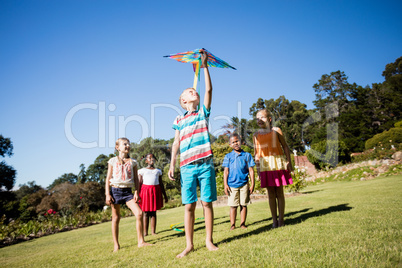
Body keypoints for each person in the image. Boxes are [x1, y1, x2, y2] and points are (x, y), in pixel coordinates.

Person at [168, 49, 218, 258]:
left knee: (206, 203)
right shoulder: (179, 120)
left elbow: (208, 91)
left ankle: (208, 240)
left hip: (205, 164)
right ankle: (189, 244)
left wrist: (204, 67)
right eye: (189, 92)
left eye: (193, 90)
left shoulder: (202, 113)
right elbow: (176, 142)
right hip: (186, 167)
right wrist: (172, 164)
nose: (193, 91)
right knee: (189, 206)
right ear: (183, 102)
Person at [105, 137, 151, 252]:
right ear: (117, 147)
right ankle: (116, 244)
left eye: (128, 144)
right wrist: (107, 194)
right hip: (115, 191)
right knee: (116, 218)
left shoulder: (133, 162)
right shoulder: (112, 161)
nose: (127, 146)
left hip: (128, 193)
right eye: (124, 144)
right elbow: (108, 179)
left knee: (139, 213)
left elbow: (136, 179)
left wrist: (136, 192)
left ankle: (141, 241)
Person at [253, 109, 293, 228]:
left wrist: (288, 162)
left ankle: (281, 220)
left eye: (262, 117)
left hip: (277, 163)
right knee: (270, 194)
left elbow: (285, 147)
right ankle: (274, 221)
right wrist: (258, 170)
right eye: (257, 118)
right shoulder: (256, 135)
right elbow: (256, 154)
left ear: (269, 119)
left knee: (279, 192)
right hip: (265, 165)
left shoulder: (276, 131)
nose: (259, 120)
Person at [222, 133, 255, 230]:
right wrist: (225, 185)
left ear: (241, 142)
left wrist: (252, 184)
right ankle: (232, 225)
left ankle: (242, 223)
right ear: (230, 145)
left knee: (243, 205)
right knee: (233, 206)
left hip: (244, 184)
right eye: (233, 142)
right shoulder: (228, 156)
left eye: (237, 141)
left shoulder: (247, 155)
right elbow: (226, 172)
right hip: (232, 185)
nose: (235, 143)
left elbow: (251, 171)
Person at [138, 153, 168, 236]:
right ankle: (145, 232)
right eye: (149, 158)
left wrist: (165, 196)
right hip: (145, 192)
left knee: (153, 212)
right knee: (146, 212)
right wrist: (137, 194)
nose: (151, 159)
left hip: (155, 191)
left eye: (153, 158)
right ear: (146, 160)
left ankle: (153, 231)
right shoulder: (142, 171)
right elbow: (140, 183)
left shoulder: (158, 171)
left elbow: (161, 184)